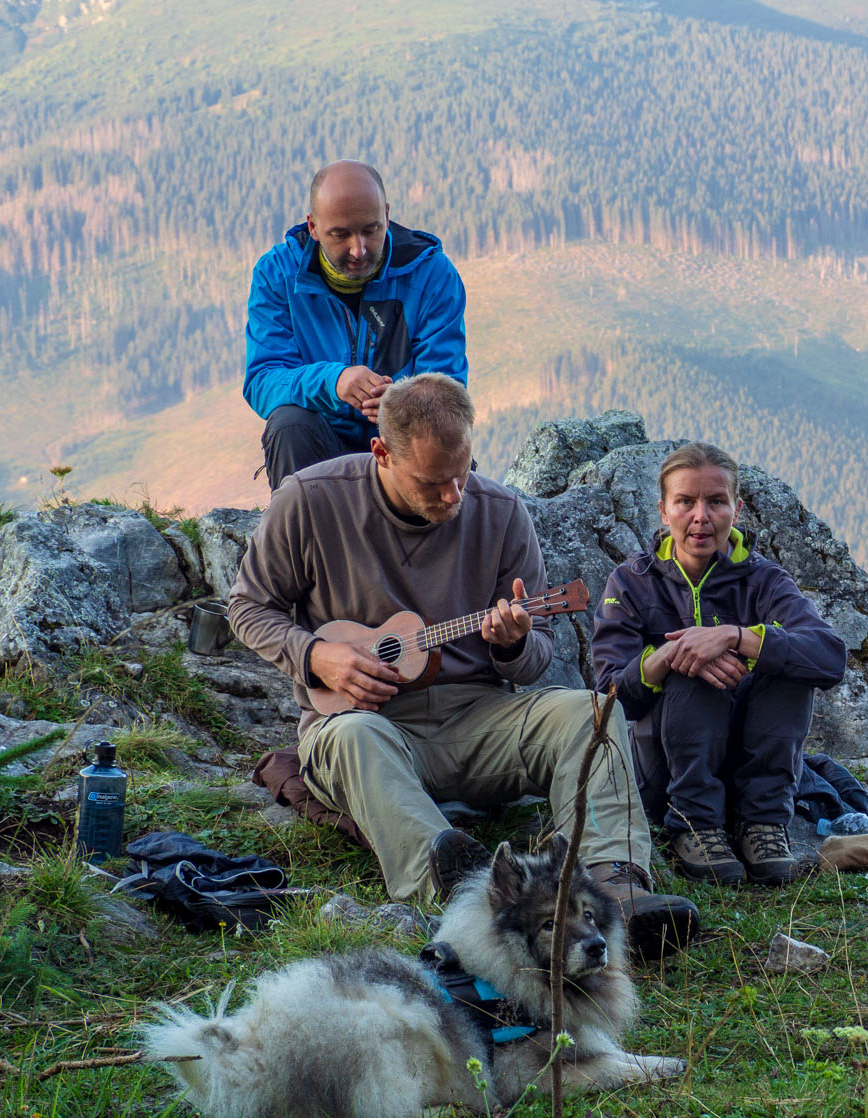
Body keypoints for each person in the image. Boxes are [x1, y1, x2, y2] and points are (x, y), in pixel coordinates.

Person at [226, 373, 699, 960]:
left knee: (593, 710)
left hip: (478, 717)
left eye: (463, 473)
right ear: (381, 452)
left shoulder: (501, 513)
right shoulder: (310, 500)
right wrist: (315, 654)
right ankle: (465, 894)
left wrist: (512, 646)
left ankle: (613, 886)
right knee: (353, 734)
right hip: (366, 728)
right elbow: (248, 607)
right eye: (432, 481)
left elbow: (536, 659)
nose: (454, 495)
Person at [590, 442, 847, 887]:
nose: (700, 517)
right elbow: (610, 695)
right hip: (665, 773)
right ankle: (695, 826)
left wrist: (737, 636)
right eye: (685, 502)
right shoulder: (632, 583)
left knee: (787, 667)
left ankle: (763, 825)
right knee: (690, 673)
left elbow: (829, 656)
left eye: (716, 501)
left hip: (749, 768)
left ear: (737, 508)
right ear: (663, 511)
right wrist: (673, 655)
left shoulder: (764, 579)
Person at [243, 160, 468, 490]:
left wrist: (405, 404)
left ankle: (428, 537)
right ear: (313, 227)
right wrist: (334, 382)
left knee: (439, 432)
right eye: (340, 234)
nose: (358, 249)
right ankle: (300, 536)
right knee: (288, 424)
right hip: (320, 448)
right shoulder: (277, 275)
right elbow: (262, 380)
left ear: (387, 216)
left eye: (371, 230)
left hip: (405, 449)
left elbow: (450, 388)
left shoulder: (432, 274)